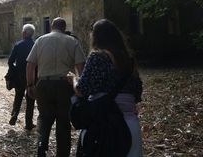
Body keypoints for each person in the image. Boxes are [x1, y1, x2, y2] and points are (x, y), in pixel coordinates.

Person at [68, 19, 143, 156]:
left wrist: (73, 79)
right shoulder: (129, 60)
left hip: (104, 124)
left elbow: (81, 90)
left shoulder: (97, 57)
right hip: (131, 126)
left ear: (96, 37)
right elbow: (137, 94)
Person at [26, 17, 86, 157]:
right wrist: (79, 85)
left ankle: (41, 145)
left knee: (44, 118)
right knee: (64, 121)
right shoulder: (72, 41)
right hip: (65, 85)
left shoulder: (40, 40)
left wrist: (30, 84)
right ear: (64, 28)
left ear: (51, 27)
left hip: (44, 84)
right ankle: (62, 154)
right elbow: (80, 66)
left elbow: (30, 64)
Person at [7, 24, 36, 130]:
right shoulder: (35, 45)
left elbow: (10, 61)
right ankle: (28, 123)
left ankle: (14, 115)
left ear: (24, 33)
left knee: (18, 96)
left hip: (20, 75)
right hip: (32, 75)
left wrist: (14, 70)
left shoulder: (18, 45)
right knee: (31, 99)